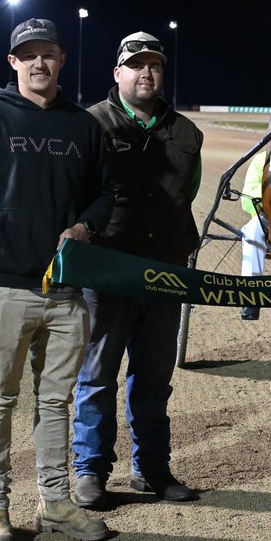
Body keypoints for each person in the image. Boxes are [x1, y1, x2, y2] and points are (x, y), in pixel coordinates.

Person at [0, 18, 116, 541]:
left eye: (49, 54)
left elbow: (105, 193)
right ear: (13, 62)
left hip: (67, 291)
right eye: (29, 55)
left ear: (62, 60)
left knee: (56, 400)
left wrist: (87, 225)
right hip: (6, 289)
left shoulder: (83, 126)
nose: (39, 63)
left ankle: (55, 499)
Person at [71, 31, 205, 508]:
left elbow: (186, 192)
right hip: (107, 271)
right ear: (118, 73)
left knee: (153, 377)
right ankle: (90, 469)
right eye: (136, 65)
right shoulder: (90, 124)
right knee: (98, 373)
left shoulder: (187, 132)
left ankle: (152, 468)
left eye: (155, 66)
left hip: (164, 272)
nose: (147, 73)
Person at [238, 149, 268, 321]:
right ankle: (251, 296)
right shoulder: (260, 160)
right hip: (268, 218)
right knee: (252, 231)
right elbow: (247, 200)